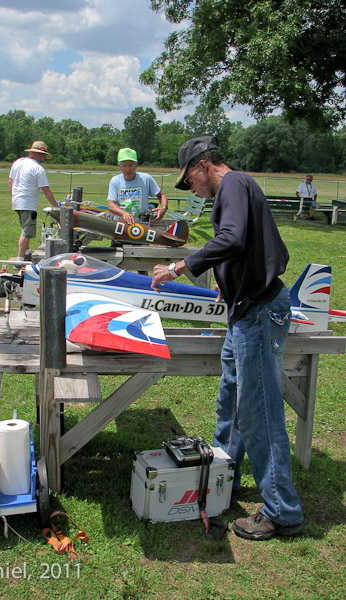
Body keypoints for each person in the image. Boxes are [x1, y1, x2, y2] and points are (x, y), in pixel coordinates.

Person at [151, 136, 304, 541]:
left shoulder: (233, 184)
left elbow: (232, 238)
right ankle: (223, 476)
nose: (192, 189)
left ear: (203, 165)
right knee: (231, 400)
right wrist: (227, 281)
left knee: (260, 414)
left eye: (191, 180)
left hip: (257, 312)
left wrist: (182, 264)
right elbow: (244, 248)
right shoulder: (239, 187)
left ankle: (282, 512)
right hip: (245, 308)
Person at [9, 141, 58, 261]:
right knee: (27, 232)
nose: (43, 159)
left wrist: (13, 198)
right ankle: (20, 260)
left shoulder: (17, 162)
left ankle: (26, 253)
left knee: (24, 229)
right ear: (40, 155)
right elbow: (46, 190)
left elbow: (11, 182)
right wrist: (57, 207)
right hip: (28, 203)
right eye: (43, 156)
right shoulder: (38, 168)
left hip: (17, 201)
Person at [107, 148, 168, 225]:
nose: (128, 169)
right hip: (122, 226)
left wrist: (164, 208)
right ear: (120, 166)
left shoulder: (146, 179)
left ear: (136, 165)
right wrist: (124, 213)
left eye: (131, 165)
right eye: (124, 165)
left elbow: (161, 195)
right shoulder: (115, 181)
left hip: (142, 225)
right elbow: (111, 204)